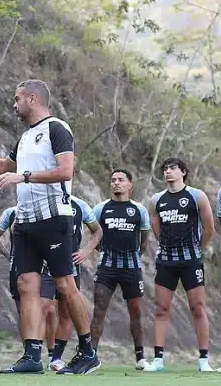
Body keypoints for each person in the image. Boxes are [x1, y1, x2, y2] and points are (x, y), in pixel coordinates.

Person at [0, 79, 100, 374]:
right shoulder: (26, 137)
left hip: (54, 219)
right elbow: (5, 166)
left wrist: (24, 176)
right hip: (25, 222)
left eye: (17, 99)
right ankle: (31, 356)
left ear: (32, 98)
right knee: (26, 285)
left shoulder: (57, 128)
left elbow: (65, 171)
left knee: (65, 286)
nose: (13, 105)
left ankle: (88, 350)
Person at [144, 157, 215, 372]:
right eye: (165, 169)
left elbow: (209, 228)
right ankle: (158, 360)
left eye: (173, 168)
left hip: (191, 261)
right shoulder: (156, 199)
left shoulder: (197, 196)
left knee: (197, 308)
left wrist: (197, 250)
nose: (168, 172)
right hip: (166, 261)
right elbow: (156, 230)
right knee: (161, 308)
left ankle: (203, 360)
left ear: (183, 172)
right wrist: (168, 248)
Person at [89, 169, 150, 370]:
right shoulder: (100, 209)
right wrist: (105, 253)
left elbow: (143, 242)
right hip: (106, 269)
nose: (116, 183)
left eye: (121, 180)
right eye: (113, 180)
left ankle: (140, 357)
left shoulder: (139, 210)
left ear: (130, 184)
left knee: (136, 313)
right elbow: (94, 237)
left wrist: (131, 257)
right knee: (98, 311)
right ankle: (91, 356)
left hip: (131, 269)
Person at [0, 206, 57, 363]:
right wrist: (9, 255)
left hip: (45, 267)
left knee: (45, 309)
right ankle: (30, 355)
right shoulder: (11, 212)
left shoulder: (49, 209)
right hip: (20, 267)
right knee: (25, 313)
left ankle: (47, 354)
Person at [49, 194, 102, 370]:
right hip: (43, 265)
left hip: (69, 266)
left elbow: (97, 230)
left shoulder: (79, 204)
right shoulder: (39, 199)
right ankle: (32, 354)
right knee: (44, 309)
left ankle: (55, 359)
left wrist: (86, 251)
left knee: (65, 312)